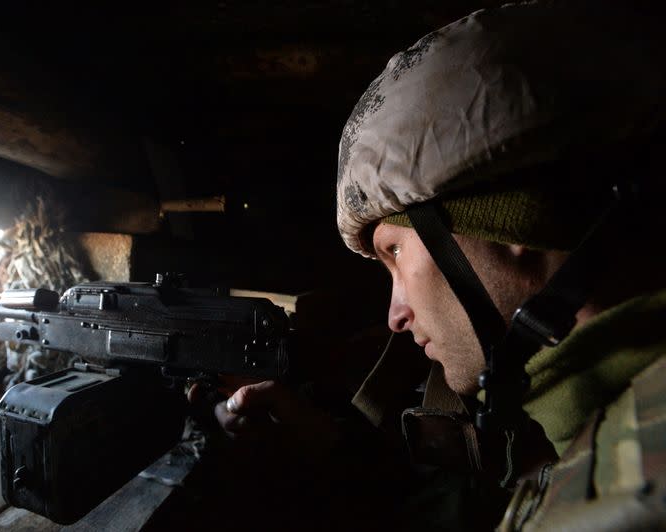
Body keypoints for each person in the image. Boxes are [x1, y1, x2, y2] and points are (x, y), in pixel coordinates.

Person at [202, 2, 666, 530]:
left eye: (394, 252)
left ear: (515, 225)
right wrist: (335, 455)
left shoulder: (629, 496)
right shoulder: (598, 420)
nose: (397, 315)